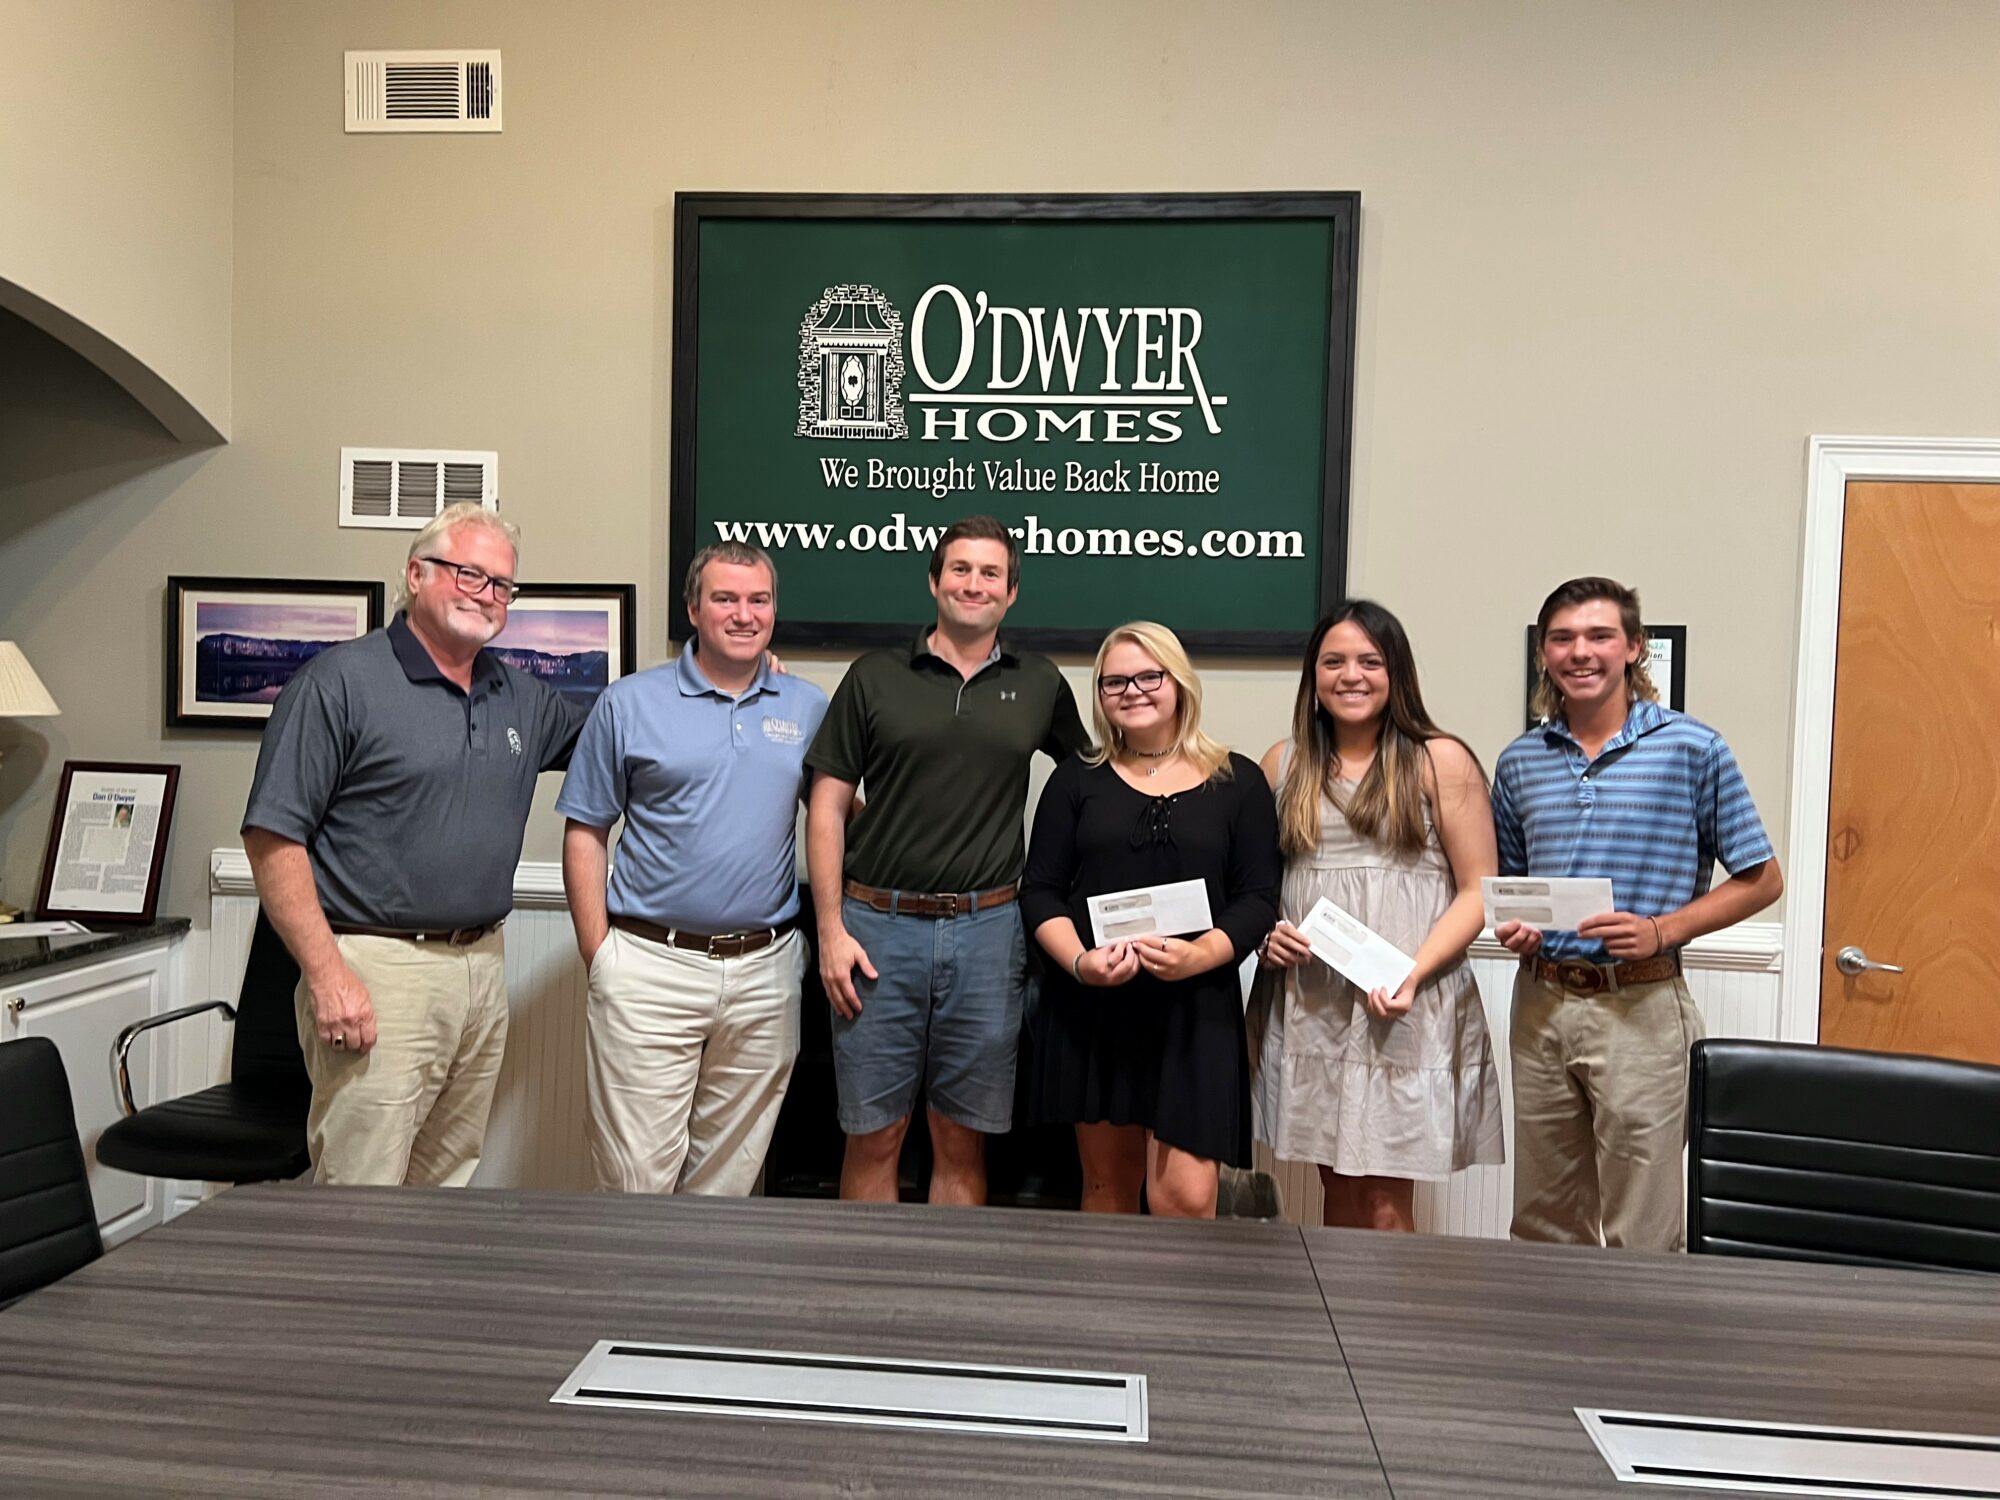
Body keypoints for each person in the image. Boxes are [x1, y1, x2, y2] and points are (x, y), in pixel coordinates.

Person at [242, 504, 589, 1186]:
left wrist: (727, 676)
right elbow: (272, 839)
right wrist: (328, 976)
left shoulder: (518, 696)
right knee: (361, 1186)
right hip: (374, 969)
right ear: (416, 573)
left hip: (482, 968)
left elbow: (624, 737)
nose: (485, 595)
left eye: (501, 586)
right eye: (468, 574)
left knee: (448, 1180)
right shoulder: (339, 683)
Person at [804, 515, 1091, 1205]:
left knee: (962, 1137)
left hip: (991, 932)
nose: (974, 583)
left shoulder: (1041, 683)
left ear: (1012, 593)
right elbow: (825, 807)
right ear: (934, 582)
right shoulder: (874, 677)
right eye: (960, 569)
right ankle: (868, 1304)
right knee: (874, 1134)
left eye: (991, 573)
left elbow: (1096, 784)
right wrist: (831, 931)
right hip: (876, 929)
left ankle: (945, 1304)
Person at [1494, 576, 1781, 1250]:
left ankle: (1640, 1357)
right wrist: (1519, 927)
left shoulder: (1693, 749)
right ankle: (1546, 1355)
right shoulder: (1519, 761)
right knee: (1543, 1222)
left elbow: (1762, 879)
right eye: (1562, 638)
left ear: (1633, 648)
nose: (1580, 652)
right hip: (1541, 1004)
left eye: (1598, 636)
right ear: (1545, 653)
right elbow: (1513, 884)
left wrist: (1662, 930)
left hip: (1643, 1007)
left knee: (1643, 1227)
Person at [556, 542, 827, 1196]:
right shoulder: (629, 703)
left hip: (766, 970)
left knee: (728, 1184)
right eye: (725, 599)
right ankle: (630, 1301)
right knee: (635, 1180)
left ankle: (705, 1301)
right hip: (651, 966)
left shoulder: (807, 706)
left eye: (758, 600)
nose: (743, 614)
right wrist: (602, 957)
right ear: (693, 609)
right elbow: (586, 830)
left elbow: (839, 822)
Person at [1245, 602, 1505, 1232]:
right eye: (1333, 661)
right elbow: (1256, 887)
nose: (1350, 675)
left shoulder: (1438, 759)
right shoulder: (1283, 764)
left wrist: (1413, 974)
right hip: (1314, 1003)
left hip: (1403, 1000)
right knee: (1335, 1182)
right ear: (1313, 676)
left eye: (1370, 661)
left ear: (1397, 673)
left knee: (1388, 1200)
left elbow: (1478, 890)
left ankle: (1390, 1330)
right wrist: (1266, 938)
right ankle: (1338, 1324)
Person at [1020, 621, 1280, 1218]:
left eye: (1147, 676)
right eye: (1114, 682)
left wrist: (1199, 955)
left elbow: (1258, 897)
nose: (1131, 691)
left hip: (1196, 1011)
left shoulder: (1237, 781)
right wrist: (1082, 964)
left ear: (1178, 683)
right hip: (1097, 1008)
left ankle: (1180, 1317)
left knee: (1185, 1198)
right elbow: (1041, 892)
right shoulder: (1074, 781)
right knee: (1106, 1190)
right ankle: (1105, 1315)